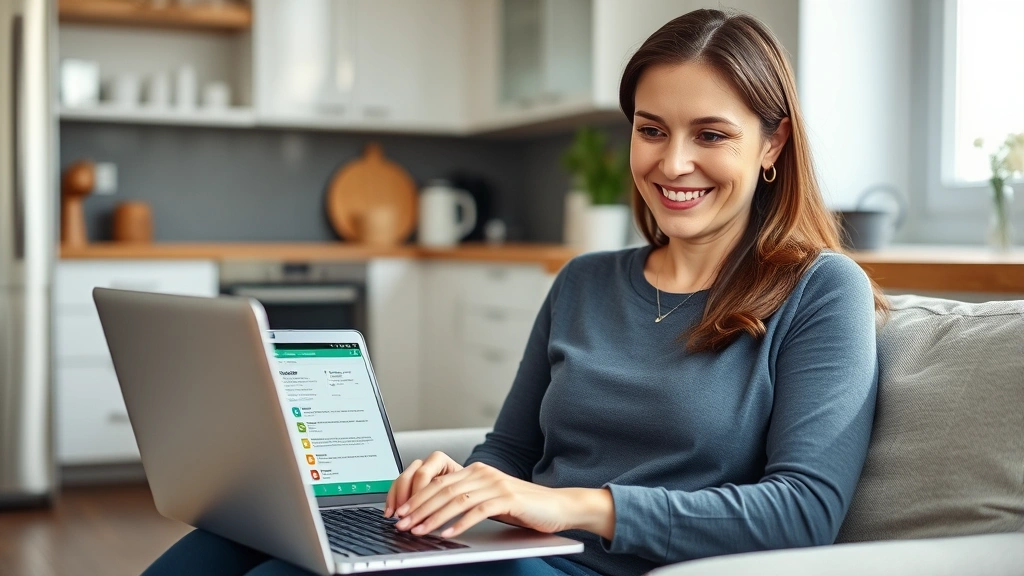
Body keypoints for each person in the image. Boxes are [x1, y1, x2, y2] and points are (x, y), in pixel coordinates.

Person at [143, 8, 883, 576]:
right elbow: (510, 450)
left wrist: (564, 506)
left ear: (773, 145)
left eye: (712, 135)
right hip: (506, 549)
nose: (673, 161)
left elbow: (804, 510)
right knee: (233, 543)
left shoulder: (821, 290)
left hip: (593, 565)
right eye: (651, 130)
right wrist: (454, 482)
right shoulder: (586, 281)